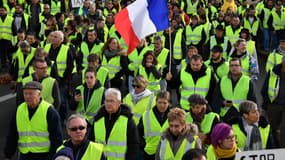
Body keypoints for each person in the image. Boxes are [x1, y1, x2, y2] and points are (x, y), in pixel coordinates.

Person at [4, 81, 62, 160]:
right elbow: (12, 134)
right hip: (24, 154)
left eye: (31, 94)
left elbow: (57, 139)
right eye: (25, 93)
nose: (27, 96)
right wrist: (8, 155)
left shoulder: (49, 111)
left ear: (39, 94)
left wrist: (52, 157)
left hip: (44, 155)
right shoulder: (19, 110)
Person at [89, 88, 139, 160]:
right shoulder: (98, 119)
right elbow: (91, 142)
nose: (109, 103)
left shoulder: (128, 120)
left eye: (112, 101)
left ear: (119, 103)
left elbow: (134, 145)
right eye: (107, 101)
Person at [215, 58, 257, 122]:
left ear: (241, 67)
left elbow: (252, 100)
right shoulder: (222, 80)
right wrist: (223, 102)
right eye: (231, 65)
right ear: (229, 67)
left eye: (236, 65)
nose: (234, 68)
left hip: (241, 114)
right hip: (225, 114)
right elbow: (216, 97)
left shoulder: (248, 81)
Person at [137, 90, 171, 159]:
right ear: (156, 102)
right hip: (150, 153)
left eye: (165, 103)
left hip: (168, 154)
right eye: (160, 102)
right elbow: (138, 133)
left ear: (169, 103)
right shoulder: (146, 115)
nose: (162, 105)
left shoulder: (173, 116)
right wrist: (144, 145)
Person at [262, 56, 285, 148]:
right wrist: (265, 104)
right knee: (273, 128)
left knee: (283, 129)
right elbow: (265, 88)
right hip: (274, 104)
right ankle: (275, 148)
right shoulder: (273, 72)